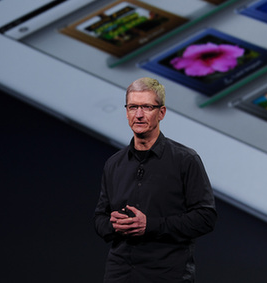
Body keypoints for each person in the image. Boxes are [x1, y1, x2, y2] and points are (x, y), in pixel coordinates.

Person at [93, 77, 217, 282]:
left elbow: (205, 217)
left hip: (167, 274)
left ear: (161, 113)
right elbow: (99, 218)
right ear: (126, 112)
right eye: (133, 107)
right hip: (120, 274)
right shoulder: (114, 164)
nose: (139, 115)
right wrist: (113, 225)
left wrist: (150, 225)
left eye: (147, 107)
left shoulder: (185, 160)